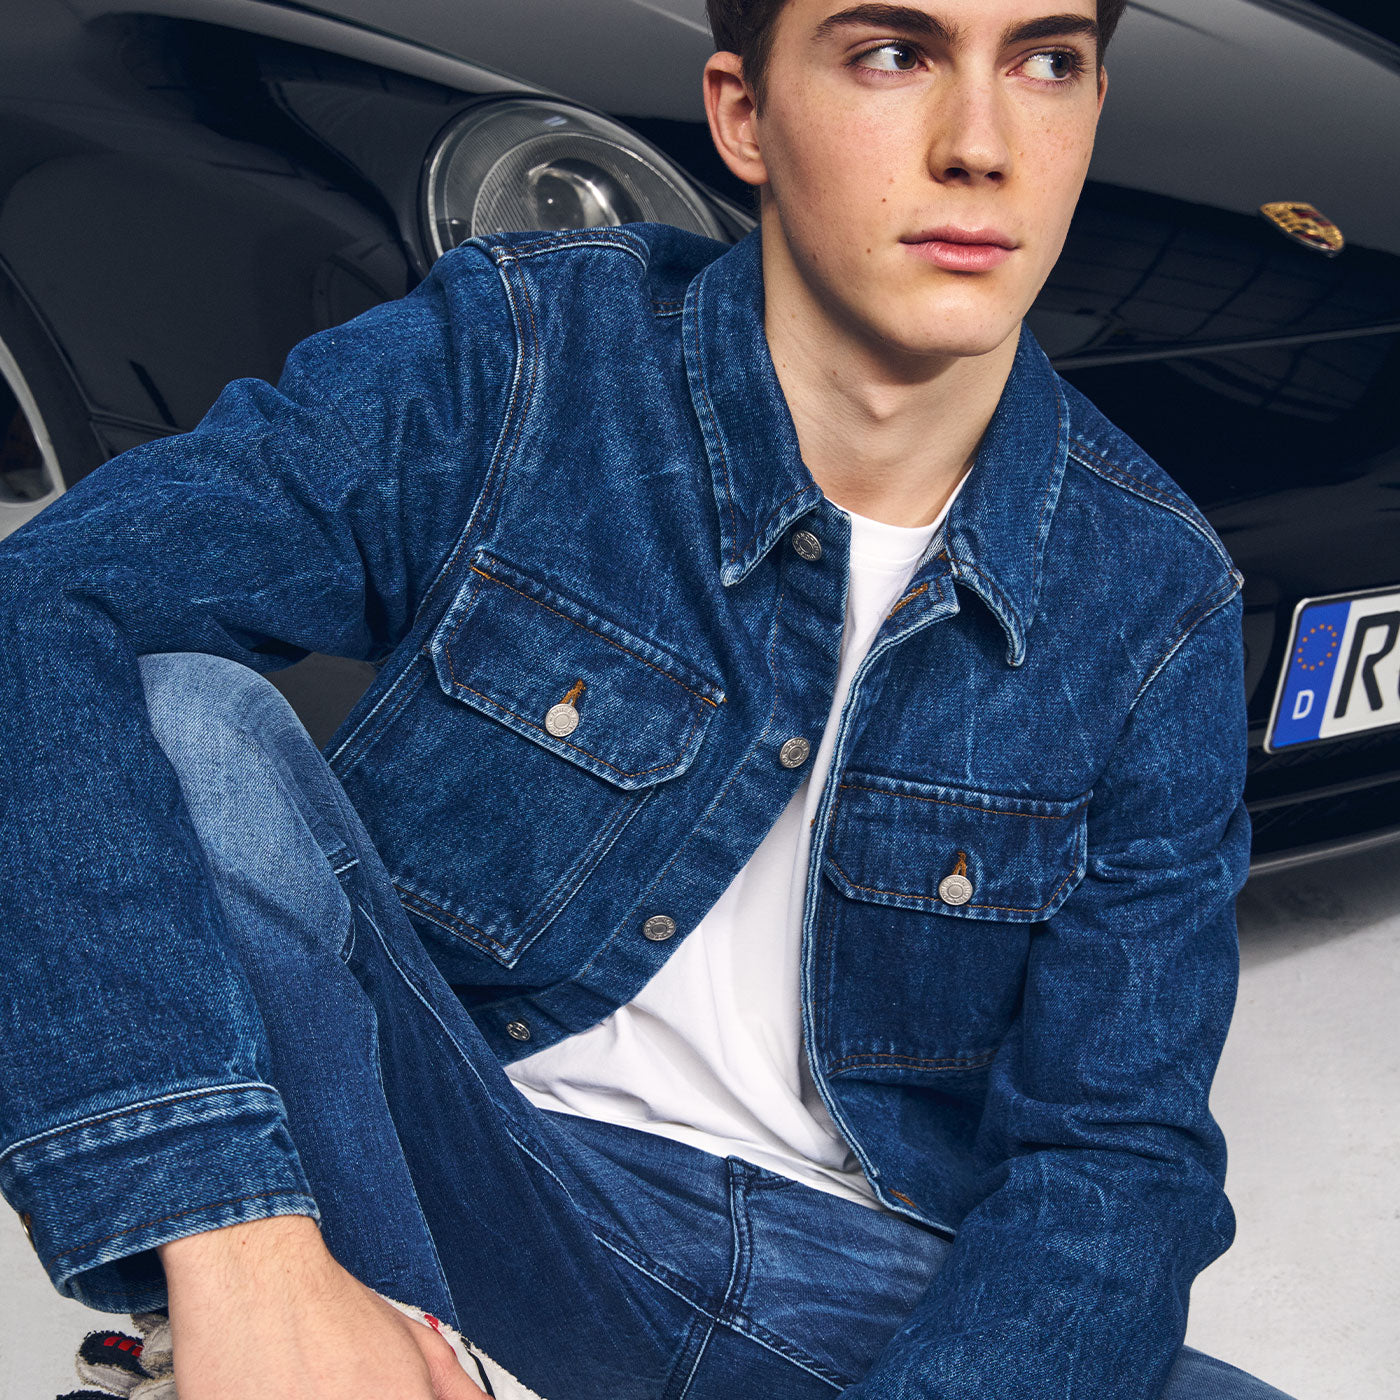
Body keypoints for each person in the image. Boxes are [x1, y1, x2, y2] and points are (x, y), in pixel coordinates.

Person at [0, 2, 1296, 1398]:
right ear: (743, 113)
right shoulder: (525, 360)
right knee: (185, 721)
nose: (981, 146)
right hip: (460, 1171)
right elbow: (45, 601)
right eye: (891, 53)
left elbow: (1111, 1159)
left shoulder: (1154, 594)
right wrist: (242, 1248)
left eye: (1046, 64)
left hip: (845, 1273)